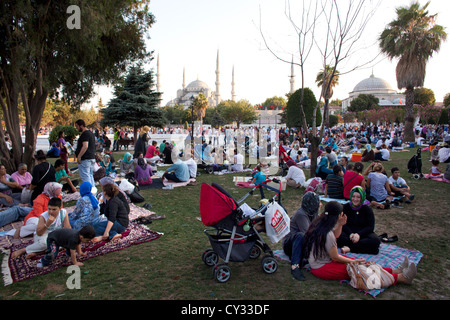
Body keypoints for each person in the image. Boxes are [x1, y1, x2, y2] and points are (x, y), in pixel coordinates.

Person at [302, 201, 417, 284]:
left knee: (363, 264)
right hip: (322, 268)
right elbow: (335, 257)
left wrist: (341, 224)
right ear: (338, 215)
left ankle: (394, 270)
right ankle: (401, 278)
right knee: (361, 270)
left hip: (323, 261)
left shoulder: (320, 223)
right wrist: (354, 261)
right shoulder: (327, 233)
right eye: (341, 214)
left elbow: (336, 236)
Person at [282, 191, 321, 281]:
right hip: (290, 244)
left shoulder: (313, 213)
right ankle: (295, 266)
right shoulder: (301, 214)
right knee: (301, 236)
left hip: (303, 244)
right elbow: (308, 234)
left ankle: (304, 258)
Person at [337, 186, 381, 254]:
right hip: (348, 234)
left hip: (362, 234)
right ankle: (362, 247)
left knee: (375, 240)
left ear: (362, 198)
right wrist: (350, 234)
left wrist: (358, 234)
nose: (355, 199)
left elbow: (370, 227)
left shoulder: (367, 209)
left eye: (358, 197)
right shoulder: (345, 207)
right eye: (353, 196)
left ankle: (349, 248)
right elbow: (343, 224)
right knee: (338, 237)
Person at [74, 119, 96, 187]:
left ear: (81, 126)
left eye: (77, 126)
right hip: (91, 158)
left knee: (86, 177)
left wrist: (79, 156)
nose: (76, 128)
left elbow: (85, 146)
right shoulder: (90, 133)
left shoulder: (85, 134)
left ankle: (89, 193)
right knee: (90, 176)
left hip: (86, 159)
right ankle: (93, 192)